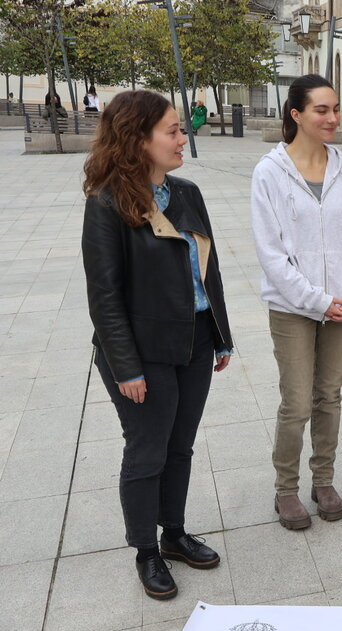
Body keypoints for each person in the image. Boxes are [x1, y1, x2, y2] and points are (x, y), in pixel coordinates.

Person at [81, 90, 233, 600]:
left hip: (192, 341)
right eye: (171, 129)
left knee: (180, 446)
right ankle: (146, 550)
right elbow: (104, 297)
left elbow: (208, 272)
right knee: (147, 450)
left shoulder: (187, 192)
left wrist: (221, 336)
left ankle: (174, 534)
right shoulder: (107, 203)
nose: (182, 136)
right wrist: (126, 367)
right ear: (137, 139)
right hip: (140, 353)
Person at [250, 74, 342, 530]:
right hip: (293, 308)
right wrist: (317, 300)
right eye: (322, 110)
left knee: (329, 396)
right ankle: (285, 490)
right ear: (296, 114)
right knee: (298, 403)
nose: (332, 118)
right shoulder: (270, 172)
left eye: (335, 109)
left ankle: (322, 480)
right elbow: (271, 254)